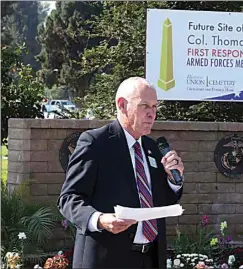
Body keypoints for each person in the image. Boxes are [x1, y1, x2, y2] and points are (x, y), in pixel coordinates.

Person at [58, 77, 184, 269]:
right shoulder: (95, 143)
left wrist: (173, 181)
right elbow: (69, 198)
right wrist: (99, 219)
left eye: (154, 107)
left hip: (150, 258)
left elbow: (160, 203)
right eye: (144, 106)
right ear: (122, 105)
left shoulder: (152, 148)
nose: (152, 114)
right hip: (106, 259)